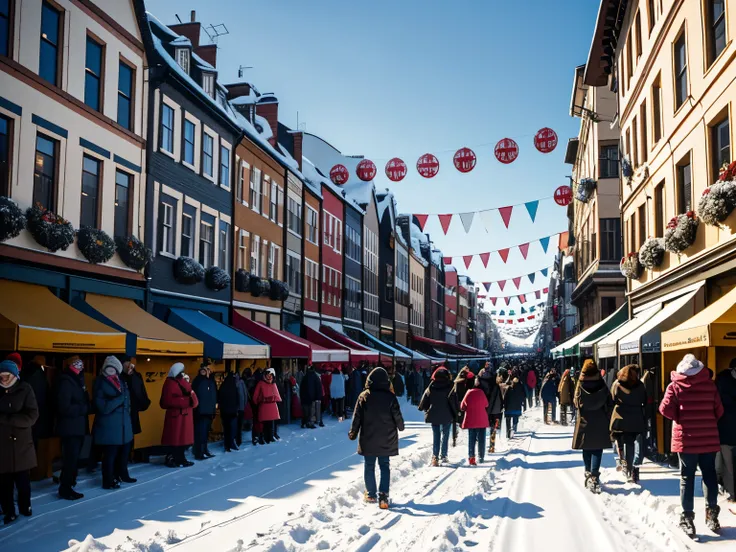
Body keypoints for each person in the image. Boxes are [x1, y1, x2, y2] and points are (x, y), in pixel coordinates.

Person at [660, 354, 724, 537]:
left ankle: (687, 518)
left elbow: (664, 409)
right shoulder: (710, 385)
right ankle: (712, 513)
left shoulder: (675, 386)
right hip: (708, 438)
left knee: (686, 478)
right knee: (709, 475)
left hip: (686, 440)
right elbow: (719, 410)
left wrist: (679, 418)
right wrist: (707, 422)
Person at [349, 367, 404, 510]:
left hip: (369, 438)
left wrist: (353, 433)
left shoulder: (364, 396)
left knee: (369, 466)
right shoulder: (390, 397)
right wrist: (401, 426)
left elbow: (357, 418)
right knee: (384, 466)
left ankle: (371, 494)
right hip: (387, 438)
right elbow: (397, 416)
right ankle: (384, 496)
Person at [0, 359, 38, 524]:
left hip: (22, 444)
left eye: (7, 375)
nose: (3, 379)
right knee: (4, 483)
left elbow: (32, 416)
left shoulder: (25, 389)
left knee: (23, 481)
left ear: (14, 375)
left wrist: (8, 419)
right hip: (2, 445)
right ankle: (9, 511)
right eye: (1, 376)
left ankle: (25, 506)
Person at [92, 356, 133, 490]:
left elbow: (127, 401)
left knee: (120, 453)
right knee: (110, 455)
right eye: (109, 368)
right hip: (109, 426)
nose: (111, 371)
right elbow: (103, 407)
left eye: (114, 368)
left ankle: (118, 475)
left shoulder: (121, 381)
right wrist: (119, 400)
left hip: (122, 425)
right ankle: (108, 480)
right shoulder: (100, 383)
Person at [572, 359, 612, 494]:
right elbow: (609, 401)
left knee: (586, 446)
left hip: (585, 419)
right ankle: (594, 474)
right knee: (597, 448)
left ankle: (587, 470)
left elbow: (576, 402)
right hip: (600, 419)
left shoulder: (581, 383)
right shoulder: (601, 383)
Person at [55, 356, 90, 500]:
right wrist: (83, 408)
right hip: (70, 428)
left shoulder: (78, 380)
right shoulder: (66, 381)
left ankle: (69, 483)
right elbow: (63, 407)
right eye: (76, 364)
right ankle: (66, 487)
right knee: (70, 458)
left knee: (73, 458)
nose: (80, 367)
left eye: (81, 364)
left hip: (78, 426)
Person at [609, 364, 647, 483]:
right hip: (636, 417)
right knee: (632, 443)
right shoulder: (640, 385)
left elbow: (612, 398)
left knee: (621, 440)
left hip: (620, 416)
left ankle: (624, 463)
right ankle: (631, 467)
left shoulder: (617, 383)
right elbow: (644, 400)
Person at [160, 362, 198, 468]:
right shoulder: (170, 383)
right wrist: (186, 401)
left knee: (180, 440)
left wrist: (189, 400)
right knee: (176, 439)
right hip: (177, 416)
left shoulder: (178, 382)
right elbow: (166, 401)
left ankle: (180, 458)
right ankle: (174, 458)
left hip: (181, 415)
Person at [119, 359, 150, 481]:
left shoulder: (135, 376)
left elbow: (139, 392)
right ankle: (120, 470)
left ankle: (123, 468)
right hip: (123, 414)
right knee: (121, 443)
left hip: (130, 413)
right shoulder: (120, 377)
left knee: (128, 441)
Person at [418, 367, 456, 466]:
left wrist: (426, 409)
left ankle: (435, 456)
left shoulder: (431, 386)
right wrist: (456, 413)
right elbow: (453, 401)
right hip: (447, 414)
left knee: (436, 435)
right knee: (445, 434)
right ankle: (444, 455)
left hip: (434, 413)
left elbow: (425, 399)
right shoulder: (451, 386)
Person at [716, 359, 736, 503]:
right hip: (726, 430)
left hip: (725, 429)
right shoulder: (722, 383)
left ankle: (731, 493)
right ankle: (732, 493)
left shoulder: (720, 383)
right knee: (729, 465)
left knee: (729, 466)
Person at [461, 376, 489, 466]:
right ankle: (481, 457)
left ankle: (472, 457)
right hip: (481, 419)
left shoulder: (468, 393)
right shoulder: (481, 392)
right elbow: (486, 404)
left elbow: (462, 406)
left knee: (471, 439)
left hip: (471, 420)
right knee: (481, 439)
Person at [191, 362, 217, 458]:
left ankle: (204, 449)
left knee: (205, 433)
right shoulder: (198, 381)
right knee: (200, 433)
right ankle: (199, 452)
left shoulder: (210, 382)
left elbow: (213, 397)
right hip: (201, 412)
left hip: (208, 411)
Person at [253, 368, 282, 443]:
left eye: (270, 375)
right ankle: (268, 437)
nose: (269, 377)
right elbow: (277, 396)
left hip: (265, 406)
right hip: (270, 406)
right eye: (268, 375)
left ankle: (265, 437)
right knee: (269, 424)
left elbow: (255, 397)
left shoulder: (263, 383)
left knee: (266, 424)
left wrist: (256, 402)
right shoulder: (272, 384)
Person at [478, 367, 503, 453]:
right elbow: (499, 398)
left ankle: (481, 448)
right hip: (494, 410)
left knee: (482, 428)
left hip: (482, 409)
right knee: (493, 428)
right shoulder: (495, 385)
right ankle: (492, 446)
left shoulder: (480, 384)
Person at [218, 369, 240, 452]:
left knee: (226, 429)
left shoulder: (223, 386)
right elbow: (237, 399)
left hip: (224, 412)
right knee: (232, 429)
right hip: (232, 413)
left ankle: (226, 445)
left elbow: (219, 398)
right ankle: (231, 444)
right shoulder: (234, 388)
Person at [500, 370, 525, 439]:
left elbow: (505, 397)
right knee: (515, 418)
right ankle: (514, 430)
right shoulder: (520, 387)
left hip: (508, 408)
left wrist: (503, 405)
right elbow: (523, 396)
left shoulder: (509, 388)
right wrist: (522, 403)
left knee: (508, 420)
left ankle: (508, 433)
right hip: (517, 407)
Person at [300, 365, 323, 429]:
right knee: (311, 412)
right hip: (311, 397)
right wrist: (318, 397)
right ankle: (309, 423)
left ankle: (304, 422)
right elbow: (318, 388)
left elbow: (301, 388)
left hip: (304, 397)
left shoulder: (305, 377)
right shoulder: (315, 377)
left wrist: (301, 397)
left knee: (305, 411)